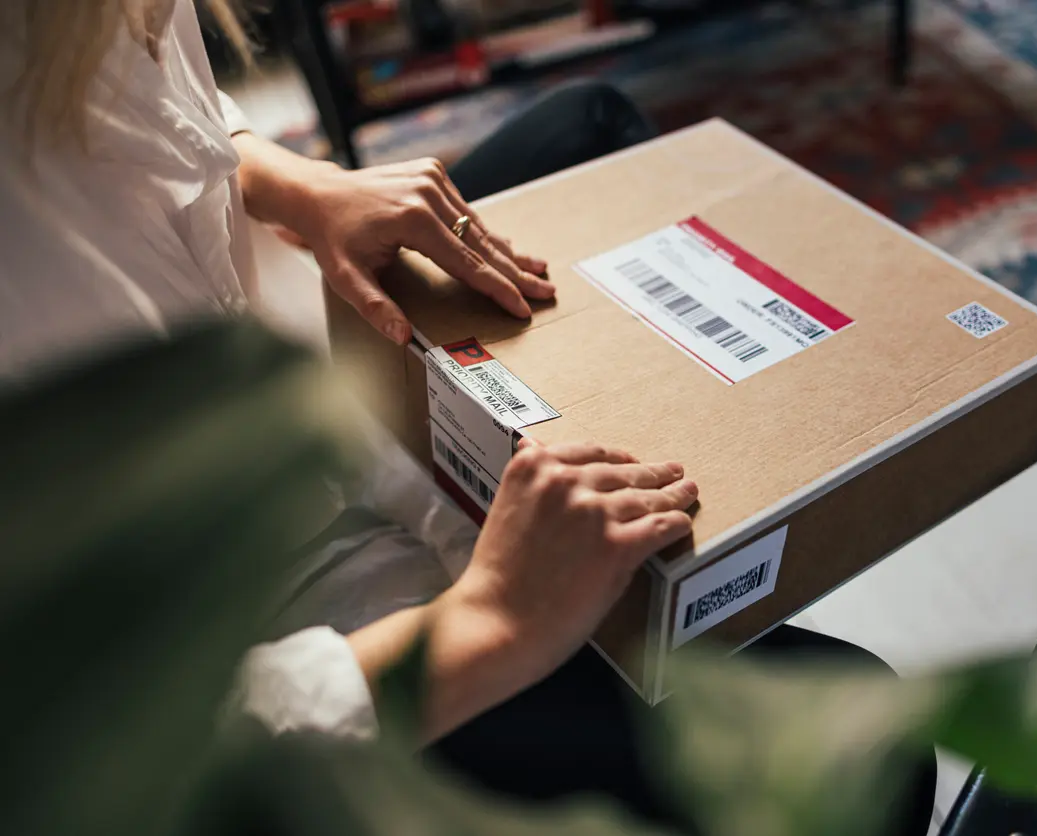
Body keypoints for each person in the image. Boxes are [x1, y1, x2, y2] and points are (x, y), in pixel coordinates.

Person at [0, 2, 934, 833]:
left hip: (312, 389)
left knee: (590, 121)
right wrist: (486, 619)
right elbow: (83, 763)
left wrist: (287, 179)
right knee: (865, 751)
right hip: (275, 626)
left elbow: (139, 100)